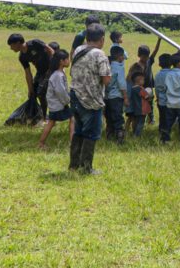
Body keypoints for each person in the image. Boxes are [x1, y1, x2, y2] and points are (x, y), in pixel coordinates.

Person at [69, 23, 110, 174]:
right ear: (102, 39)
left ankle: (74, 165)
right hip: (91, 100)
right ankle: (86, 168)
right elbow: (106, 79)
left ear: (87, 37)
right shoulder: (100, 54)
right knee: (91, 133)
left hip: (75, 95)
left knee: (78, 131)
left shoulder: (79, 49)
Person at [7, 33, 55, 118]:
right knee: (33, 94)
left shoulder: (35, 43)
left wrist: (55, 66)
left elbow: (51, 51)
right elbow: (28, 73)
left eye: (11, 45)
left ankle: (45, 117)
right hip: (40, 72)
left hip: (50, 70)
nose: (11, 48)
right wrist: (30, 89)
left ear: (18, 43)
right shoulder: (22, 57)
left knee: (41, 93)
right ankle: (37, 115)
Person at [38, 51, 71, 150]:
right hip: (58, 105)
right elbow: (60, 92)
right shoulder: (57, 75)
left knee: (51, 122)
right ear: (61, 61)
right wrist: (67, 100)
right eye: (67, 59)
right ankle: (72, 142)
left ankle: (41, 143)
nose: (69, 61)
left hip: (56, 104)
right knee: (73, 118)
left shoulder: (59, 73)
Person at [132, 39, 162, 125]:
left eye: (147, 56)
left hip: (149, 87)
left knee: (150, 103)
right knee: (141, 103)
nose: (146, 58)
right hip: (140, 88)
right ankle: (141, 118)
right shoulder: (137, 66)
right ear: (139, 55)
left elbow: (155, 51)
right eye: (144, 57)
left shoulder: (149, 61)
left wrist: (159, 40)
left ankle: (151, 118)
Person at [104, 44, 128, 143]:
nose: (123, 58)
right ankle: (120, 137)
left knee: (109, 117)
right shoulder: (119, 67)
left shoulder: (107, 66)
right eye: (122, 56)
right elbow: (122, 84)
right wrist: (125, 97)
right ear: (119, 56)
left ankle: (109, 135)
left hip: (107, 97)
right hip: (116, 97)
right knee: (118, 117)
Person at [156, 53, 172, 135]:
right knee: (169, 118)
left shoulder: (158, 75)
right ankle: (167, 133)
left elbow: (157, 89)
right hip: (171, 101)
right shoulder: (172, 74)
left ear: (160, 64)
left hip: (161, 101)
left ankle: (161, 132)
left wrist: (158, 98)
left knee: (162, 118)